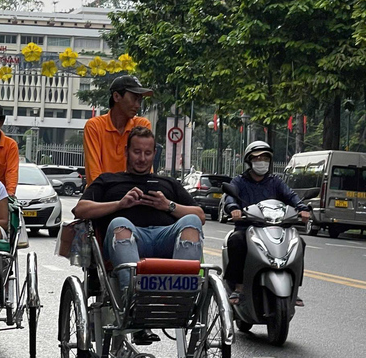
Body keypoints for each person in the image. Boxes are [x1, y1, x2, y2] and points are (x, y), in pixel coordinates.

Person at [74, 127, 204, 345]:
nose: (142, 158)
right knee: (120, 223)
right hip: (125, 239)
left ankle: (181, 297)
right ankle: (132, 302)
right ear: (126, 152)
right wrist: (119, 204)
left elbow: (200, 215)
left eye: (147, 153)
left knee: (191, 221)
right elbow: (80, 210)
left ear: (154, 154)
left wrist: (168, 205)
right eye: (137, 152)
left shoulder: (168, 184)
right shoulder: (109, 181)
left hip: (164, 239)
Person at [223, 141, 309, 306]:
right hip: (248, 227)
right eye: (257, 158)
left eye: (265, 158)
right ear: (249, 161)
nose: (261, 161)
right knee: (236, 242)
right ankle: (238, 287)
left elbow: (291, 196)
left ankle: (295, 288)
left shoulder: (275, 182)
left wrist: (302, 208)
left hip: (275, 227)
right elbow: (230, 197)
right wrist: (233, 208)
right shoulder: (239, 182)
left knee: (299, 243)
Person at [83, 75, 153, 185]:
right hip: (101, 195)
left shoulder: (142, 124)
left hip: (133, 194)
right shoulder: (94, 126)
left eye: (140, 100)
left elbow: (146, 170)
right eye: (134, 99)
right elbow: (93, 175)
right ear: (116, 96)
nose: (138, 105)